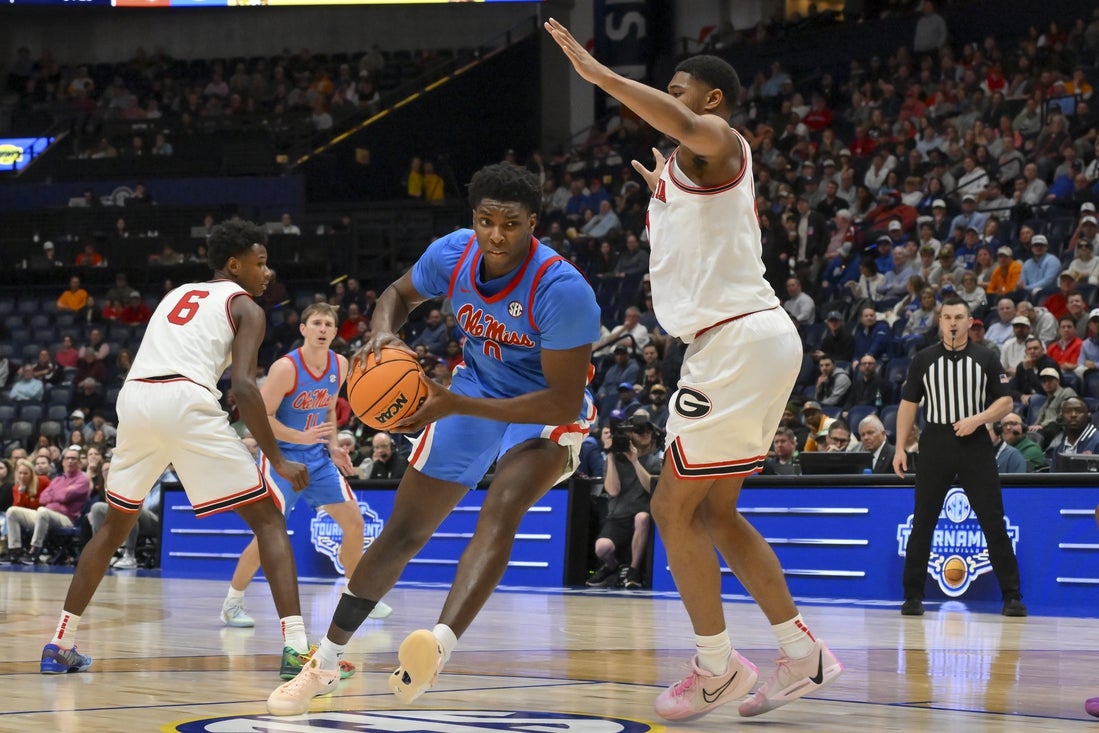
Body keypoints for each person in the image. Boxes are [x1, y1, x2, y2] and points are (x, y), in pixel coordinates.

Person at [545, 21, 842, 721]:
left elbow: (682, 124)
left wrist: (602, 78)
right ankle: (802, 653)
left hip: (736, 342)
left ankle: (716, 667)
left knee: (669, 508)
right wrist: (664, 198)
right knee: (715, 512)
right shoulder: (687, 175)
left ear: (711, 101)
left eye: (678, 91)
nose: (668, 100)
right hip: (746, 340)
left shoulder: (721, 141)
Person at [267, 163, 600, 715]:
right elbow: (397, 295)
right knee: (403, 531)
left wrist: (453, 404)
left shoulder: (562, 290)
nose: (496, 235)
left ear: (533, 224)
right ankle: (323, 664)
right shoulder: (453, 252)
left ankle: (437, 647)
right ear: (473, 218)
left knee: (503, 506)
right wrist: (382, 334)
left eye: (510, 224)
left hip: (541, 409)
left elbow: (562, 402)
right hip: (473, 390)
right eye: (486, 221)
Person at [37, 219, 310, 676]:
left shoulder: (176, 294)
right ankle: (298, 649)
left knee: (113, 526)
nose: (268, 273)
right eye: (261, 263)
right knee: (269, 519)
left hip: (135, 398)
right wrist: (277, 458)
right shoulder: (247, 308)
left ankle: (59, 643)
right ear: (234, 265)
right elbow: (244, 387)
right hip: (185, 398)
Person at [220, 302, 392, 642]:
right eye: (316, 323)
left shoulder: (340, 364)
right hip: (281, 460)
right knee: (268, 535)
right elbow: (259, 417)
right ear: (303, 329)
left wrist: (332, 446)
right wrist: (300, 437)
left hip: (317, 458)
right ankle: (233, 602)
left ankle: (355, 595)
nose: (323, 329)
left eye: (328, 323)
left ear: (335, 330)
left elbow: (327, 409)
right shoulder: (286, 368)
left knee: (355, 523)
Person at [893, 297, 1025, 618]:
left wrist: (977, 420)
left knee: (993, 520)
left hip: (974, 444)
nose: (953, 322)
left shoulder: (986, 357)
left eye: (959, 317)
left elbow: (1006, 403)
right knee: (923, 521)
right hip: (935, 443)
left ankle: (1012, 596)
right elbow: (909, 404)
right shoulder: (923, 359)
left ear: (970, 322)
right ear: (940, 322)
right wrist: (899, 447)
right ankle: (913, 596)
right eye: (948, 317)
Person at [585, 414, 663, 590]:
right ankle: (613, 566)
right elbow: (613, 490)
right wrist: (611, 457)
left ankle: (633, 570)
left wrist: (635, 461)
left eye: (648, 431)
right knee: (602, 547)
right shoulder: (615, 461)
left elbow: (651, 487)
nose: (644, 434)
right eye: (639, 431)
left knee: (642, 517)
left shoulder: (654, 462)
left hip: (641, 514)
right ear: (629, 435)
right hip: (618, 515)